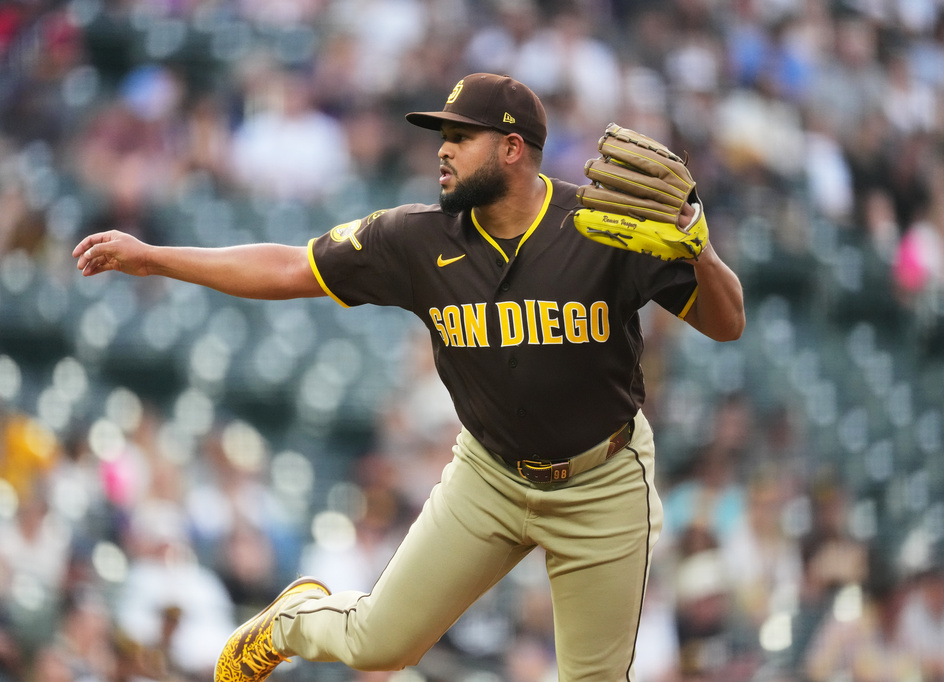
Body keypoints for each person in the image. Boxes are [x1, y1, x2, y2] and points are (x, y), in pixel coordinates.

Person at [73, 73, 745, 681]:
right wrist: (155, 257)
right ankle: (290, 620)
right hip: (490, 474)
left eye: (461, 137)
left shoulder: (603, 231)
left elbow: (727, 323)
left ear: (513, 149)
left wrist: (704, 254)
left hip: (601, 483)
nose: (443, 151)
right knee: (379, 644)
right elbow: (288, 267)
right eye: (441, 138)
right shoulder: (418, 237)